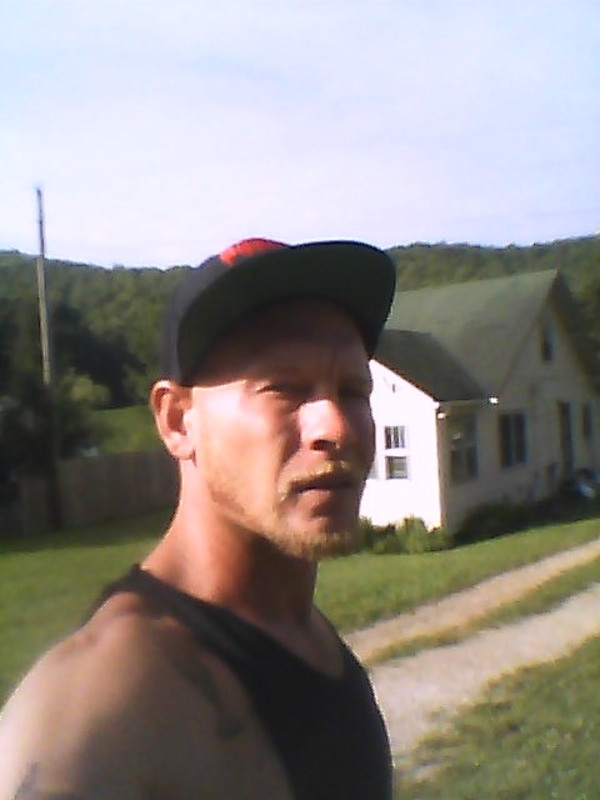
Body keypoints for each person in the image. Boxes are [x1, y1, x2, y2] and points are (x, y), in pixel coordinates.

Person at [0, 237, 396, 799]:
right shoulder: (100, 703)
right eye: (285, 389)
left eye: (353, 390)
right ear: (178, 421)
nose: (336, 426)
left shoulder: (305, 636)